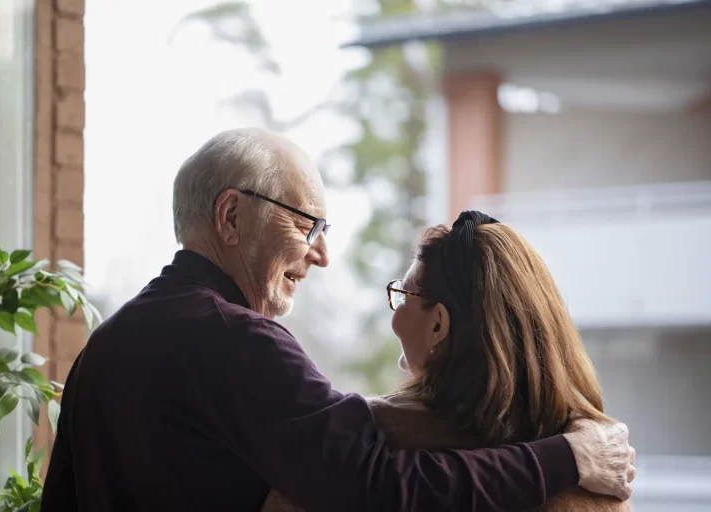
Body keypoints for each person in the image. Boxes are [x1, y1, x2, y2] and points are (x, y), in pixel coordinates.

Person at [41, 128, 635, 511]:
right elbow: (378, 486)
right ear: (230, 217)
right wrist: (568, 459)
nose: (321, 255)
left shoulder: (105, 348)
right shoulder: (236, 341)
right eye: (308, 225)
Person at [263, 211, 632, 512]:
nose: (393, 316)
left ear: (438, 323)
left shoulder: (369, 440)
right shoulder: (603, 466)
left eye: (402, 295)